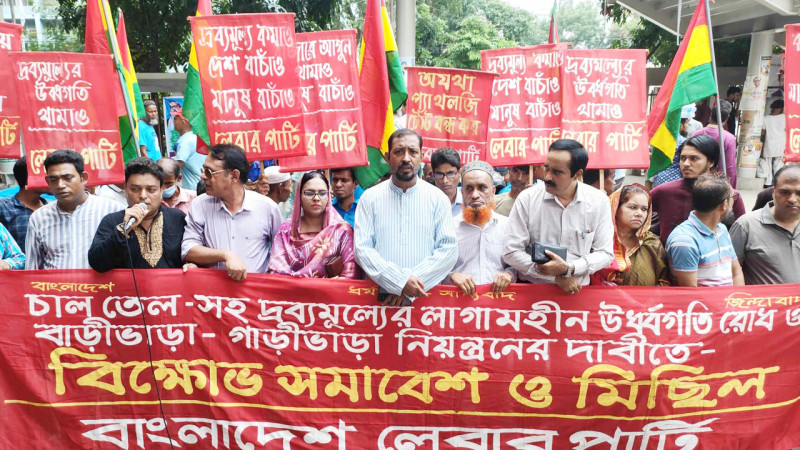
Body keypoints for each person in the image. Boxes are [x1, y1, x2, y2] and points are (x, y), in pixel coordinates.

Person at [355, 129, 458, 306]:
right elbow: (362, 250)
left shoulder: (438, 199)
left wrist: (411, 285)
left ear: (421, 156)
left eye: (413, 152)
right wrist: (399, 282)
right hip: (380, 302)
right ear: (387, 157)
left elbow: (448, 250)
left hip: (424, 301)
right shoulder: (369, 198)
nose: (406, 158)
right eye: (399, 151)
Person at [503, 139, 614, 294]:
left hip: (578, 293)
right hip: (531, 292)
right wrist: (554, 275)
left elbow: (605, 253)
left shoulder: (598, 201)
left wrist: (570, 268)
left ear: (577, 174)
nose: (547, 177)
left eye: (557, 172)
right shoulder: (527, 199)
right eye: (546, 168)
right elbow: (511, 251)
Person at [182, 144, 283, 281]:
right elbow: (188, 249)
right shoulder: (199, 205)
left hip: (255, 292)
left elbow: (282, 252)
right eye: (203, 170)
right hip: (215, 292)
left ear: (234, 176)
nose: (202, 176)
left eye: (209, 172)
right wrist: (225, 255)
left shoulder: (267, 208)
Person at [25, 150, 123, 269]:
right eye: (53, 179)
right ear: (48, 182)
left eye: (67, 178)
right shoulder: (38, 218)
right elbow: (32, 269)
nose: (60, 185)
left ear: (83, 178)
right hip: (55, 282)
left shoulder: (113, 210)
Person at [89, 158, 188, 271]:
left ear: (161, 190)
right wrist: (123, 230)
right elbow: (97, 263)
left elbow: (189, 253)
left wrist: (191, 264)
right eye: (135, 189)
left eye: (151, 190)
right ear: (126, 189)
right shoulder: (112, 221)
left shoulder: (177, 218)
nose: (143, 195)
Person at [650, 135, 746, 246]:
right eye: (683, 158)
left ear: (710, 162)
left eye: (694, 158)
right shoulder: (663, 192)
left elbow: (740, 235)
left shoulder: (729, 196)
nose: (686, 164)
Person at [268, 171, 357, 278]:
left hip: (332, 289)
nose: (316, 198)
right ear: (299, 196)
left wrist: (334, 284)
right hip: (292, 288)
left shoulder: (341, 231)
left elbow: (351, 272)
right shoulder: (286, 231)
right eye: (309, 193)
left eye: (322, 193)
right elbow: (275, 271)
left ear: (329, 196)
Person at [448, 161, 515, 296]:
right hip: (459, 303)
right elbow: (438, 268)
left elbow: (515, 265)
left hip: (499, 303)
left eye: (482, 188)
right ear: (462, 192)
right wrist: (451, 276)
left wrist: (509, 274)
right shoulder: (449, 227)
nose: (475, 195)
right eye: (469, 188)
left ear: (493, 191)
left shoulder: (508, 226)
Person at [666, 173, 744, 287]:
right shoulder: (685, 240)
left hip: (730, 298)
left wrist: (738, 296)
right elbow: (690, 292)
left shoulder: (721, 229)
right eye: (733, 197)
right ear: (724, 204)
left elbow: (736, 273)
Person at [730, 165, 800, 284]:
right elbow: (729, 272)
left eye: (799, 193)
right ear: (773, 192)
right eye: (785, 192)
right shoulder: (746, 225)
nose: (792, 199)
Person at [590, 185, 669, 286]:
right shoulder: (598, 239)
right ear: (615, 207)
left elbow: (664, 280)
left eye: (644, 209)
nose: (639, 214)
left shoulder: (651, 243)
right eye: (632, 207)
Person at [0, 158, 47, 248]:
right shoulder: (3, 208)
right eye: (45, 176)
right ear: (29, 180)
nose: (50, 181)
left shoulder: (51, 207)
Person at [692, 99, 738, 188]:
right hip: (717, 184)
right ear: (727, 118)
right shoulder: (729, 138)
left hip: (698, 180)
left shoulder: (697, 134)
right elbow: (730, 167)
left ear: (711, 115)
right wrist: (732, 188)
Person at [173, 108, 204, 190]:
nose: (174, 121)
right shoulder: (193, 138)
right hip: (199, 183)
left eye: (175, 119)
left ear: (183, 121)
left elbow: (177, 166)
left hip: (193, 188)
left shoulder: (186, 142)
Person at [758, 99, 785, 187]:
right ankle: (778, 182)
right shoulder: (785, 118)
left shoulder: (765, 118)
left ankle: (768, 182)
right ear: (781, 108)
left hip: (769, 143)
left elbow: (763, 133)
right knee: (778, 164)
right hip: (781, 144)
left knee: (768, 164)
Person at [430, 147, 463, 215]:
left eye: (450, 174)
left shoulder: (468, 202)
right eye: (439, 174)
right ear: (433, 175)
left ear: (459, 173)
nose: (445, 181)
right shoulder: (425, 203)